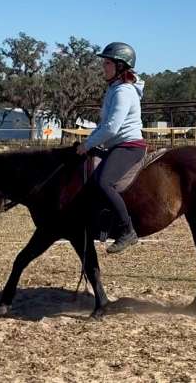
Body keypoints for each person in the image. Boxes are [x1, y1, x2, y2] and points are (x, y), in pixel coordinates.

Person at [76, 42, 146, 254]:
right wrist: (88, 143)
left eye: (107, 63)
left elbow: (112, 127)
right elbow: (104, 126)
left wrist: (88, 144)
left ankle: (127, 230)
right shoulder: (114, 89)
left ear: (120, 66)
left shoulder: (124, 91)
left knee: (104, 182)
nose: (103, 67)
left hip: (129, 146)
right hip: (116, 145)